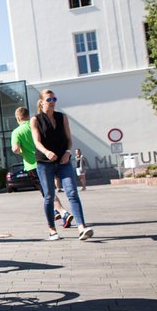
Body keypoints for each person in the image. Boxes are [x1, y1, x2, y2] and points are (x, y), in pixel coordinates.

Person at [30, 89, 94, 240]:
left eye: (54, 99)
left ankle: (81, 228)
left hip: (63, 161)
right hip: (45, 163)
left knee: (72, 192)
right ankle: (52, 229)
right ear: (41, 102)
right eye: (49, 100)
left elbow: (69, 139)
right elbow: (36, 142)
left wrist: (67, 152)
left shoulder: (62, 117)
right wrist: (47, 152)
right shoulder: (35, 120)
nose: (52, 102)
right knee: (49, 196)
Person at [11, 107, 71, 230]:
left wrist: (22, 152)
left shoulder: (17, 132)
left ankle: (63, 212)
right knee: (49, 191)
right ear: (28, 115)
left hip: (33, 165)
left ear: (18, 118)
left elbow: (15, 149)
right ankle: (55, 211)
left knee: (47, 193)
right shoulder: (36, 123)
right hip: (47, 161)